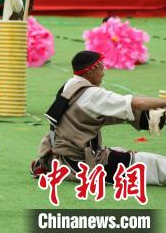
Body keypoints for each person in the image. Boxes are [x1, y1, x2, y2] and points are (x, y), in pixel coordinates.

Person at [32, 50, 166, 186]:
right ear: (91, 70)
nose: (103, 72)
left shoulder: (69, 85)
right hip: (83, 164)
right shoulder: (92, 94)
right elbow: (136, 103)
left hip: (61, 157)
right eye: (101, 68)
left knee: (120, 150)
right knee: (154, 163)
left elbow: (102, 114)